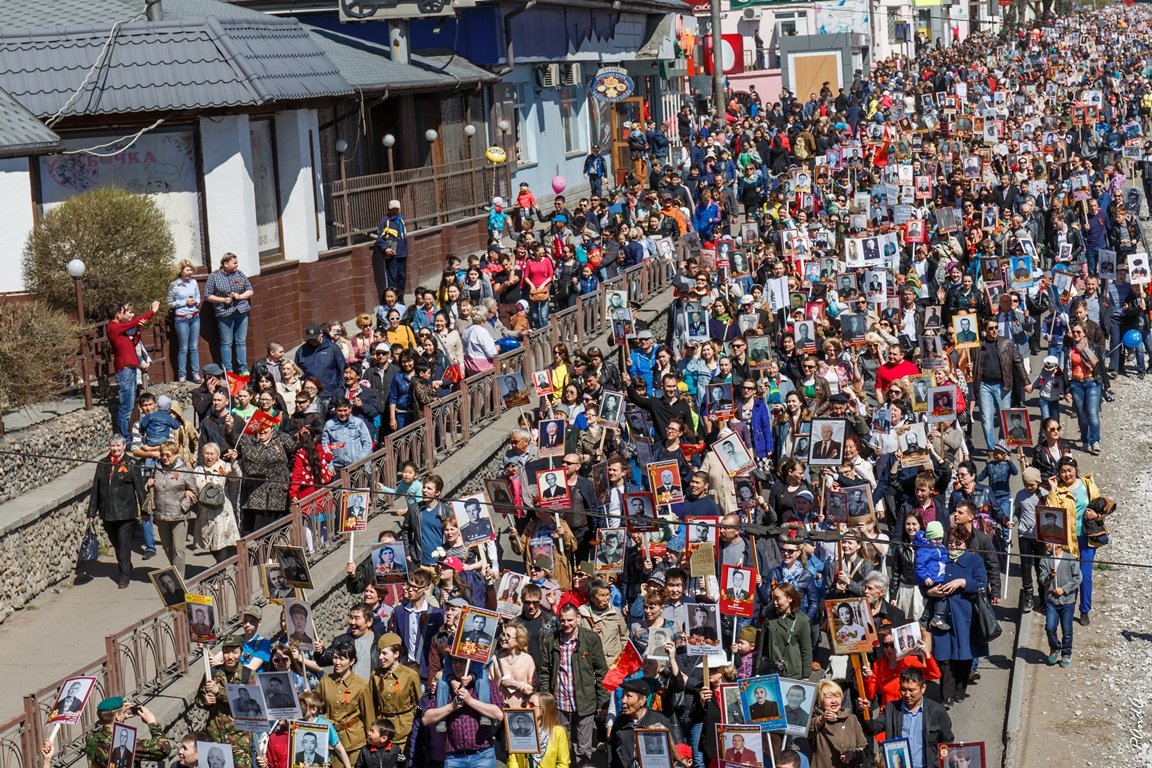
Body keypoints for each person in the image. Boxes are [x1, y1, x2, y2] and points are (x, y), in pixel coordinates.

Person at [539, 603, 609, 767]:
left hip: (584, 701)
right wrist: (545, 699)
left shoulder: (590, 639)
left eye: (570, 620)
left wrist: (603, 701)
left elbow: (601, 672)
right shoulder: (551, 641)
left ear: (578, 618)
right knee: (562, 744)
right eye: (562, 620)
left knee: (583, 748)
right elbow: (544, 671)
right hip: (559, 703)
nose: (566, 624)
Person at [87, 435, 147, 589]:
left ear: (124, 446)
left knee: (124, 543)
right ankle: (127, 564)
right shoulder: (102, 464)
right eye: (112, 446)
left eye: (118, 446)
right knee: (117, 544)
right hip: (107, 513)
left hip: (126, 514)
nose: (115, 449)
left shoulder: (132, 463)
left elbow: (140, 488)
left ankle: (124, 576)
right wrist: (91, 512)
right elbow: (95, 489)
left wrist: (145, 511)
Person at [869, 668, 953, 768]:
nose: (907, 695)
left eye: (912, 690)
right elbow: (872, 728)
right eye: (903, 689)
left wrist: (937, 763)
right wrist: (865, 711)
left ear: (923, 688)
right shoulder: (892, 709)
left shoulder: (937, 711)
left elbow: (947, 741)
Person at [108, 300, 161, 439]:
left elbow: (131, 344)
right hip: (124, 370)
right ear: (118, 314)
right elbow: (134, 321)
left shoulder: (119, 328)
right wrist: (152, 311)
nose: (124, 314)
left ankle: (126, 436)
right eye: (122, 311)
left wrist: (138, 330)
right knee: (125, 407)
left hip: (130, 369)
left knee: (130, 405)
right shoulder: (113, 327)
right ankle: (124, 438)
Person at [84, 698, 171, 768]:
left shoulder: (91, 738)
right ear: (117, 716)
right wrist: (152, 723)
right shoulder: (125, 744)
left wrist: (119, 717)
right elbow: (164, 749)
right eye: (122, 712)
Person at [204, 253, 254, 375]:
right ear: (225, 264)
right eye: (234, 263)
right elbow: (207, 295)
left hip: (241, 311)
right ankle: (228, 370)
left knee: (241, 341)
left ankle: (243, 369)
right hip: (225, 313)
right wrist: (223, 300)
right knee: (226, 343)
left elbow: (250, 290)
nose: (237, 265)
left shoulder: (239, 274)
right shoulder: (214, 276)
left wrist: (240, 296)